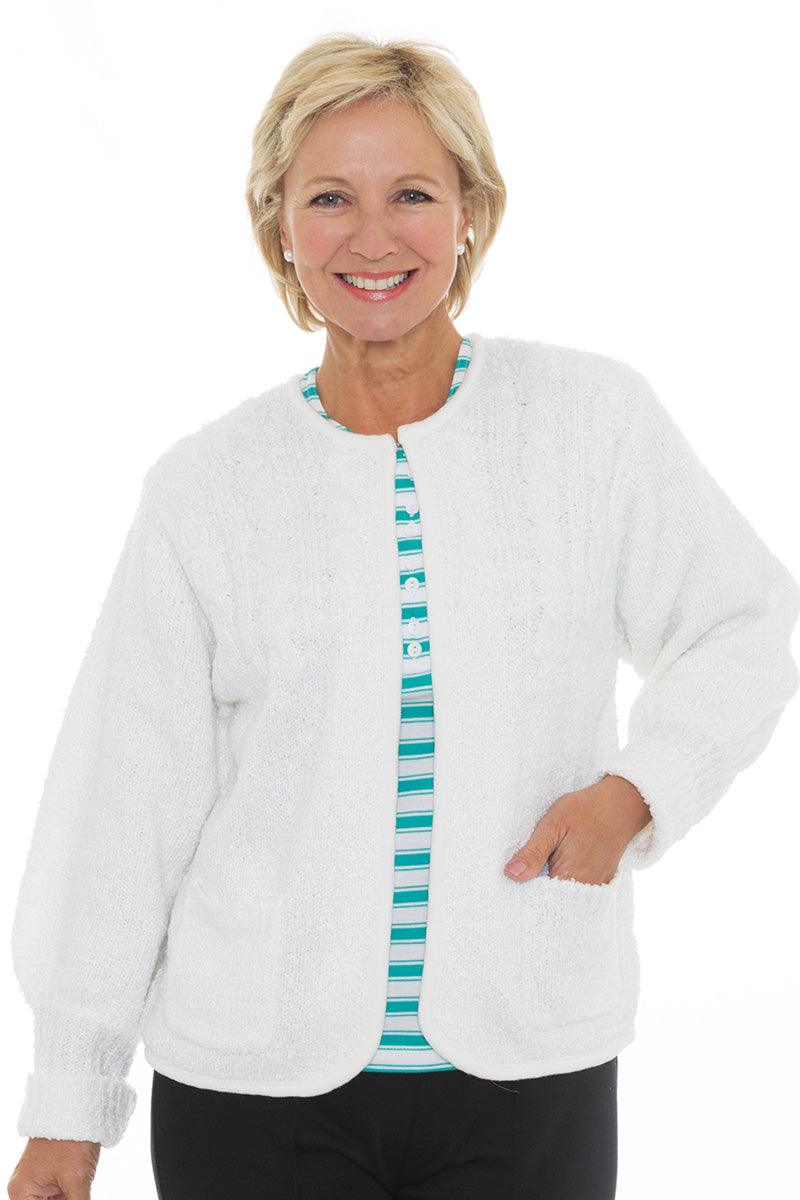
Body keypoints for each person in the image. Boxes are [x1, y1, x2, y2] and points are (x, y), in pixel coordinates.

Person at [7, 31, 800, 1200]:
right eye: (329, 197)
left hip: (528, 1071)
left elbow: (740, 622)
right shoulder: (205, 489)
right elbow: (125, 801)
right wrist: (69, 1104)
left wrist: (637, 791)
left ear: (469, 211)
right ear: (280, 224)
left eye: (412, 195)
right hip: (251, 1091)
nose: (372, 238)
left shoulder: (590, 425)